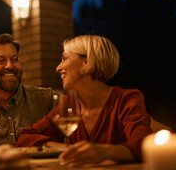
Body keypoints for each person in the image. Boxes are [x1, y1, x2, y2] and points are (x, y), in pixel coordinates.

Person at [16, 35, 154, 167]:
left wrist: (103, 152)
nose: (58, 68)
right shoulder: (70, 104)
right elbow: (26, 137)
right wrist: (66, 148)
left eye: (65, 58)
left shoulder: (127, 99)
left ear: (86, 62)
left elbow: (143, 146)